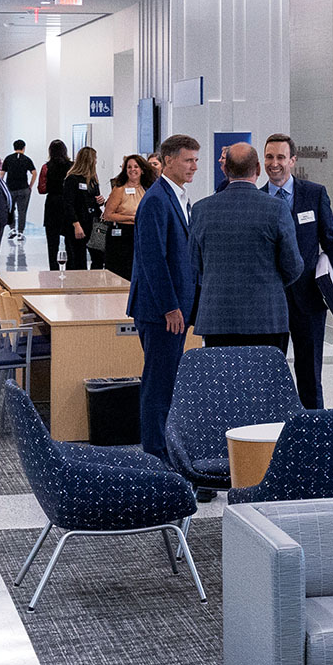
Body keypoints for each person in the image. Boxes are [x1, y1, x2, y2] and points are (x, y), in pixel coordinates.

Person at [263, 132, 333, 409]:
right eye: (269, 157)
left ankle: (315, 433)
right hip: (270, 301)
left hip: (308, 299)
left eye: (280, 157)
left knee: (310, 375)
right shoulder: (258, 199)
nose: (274, 163)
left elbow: (331, 241)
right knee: (268, 374)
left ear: (293, 160)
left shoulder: (313, 194)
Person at [126, 134, 200, 463]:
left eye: (196, 160)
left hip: (173, 308)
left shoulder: (178, 197)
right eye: (188, 160)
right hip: (160, 311)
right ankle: (156, 454)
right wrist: (171, 306)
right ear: (168, 160)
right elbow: (152, 259)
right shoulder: (157, 199)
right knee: (158, 383)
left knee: (167, 381)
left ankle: (164, 448)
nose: (194, 166)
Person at [190, 143, 303, 349]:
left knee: (223, 381)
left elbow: (195, 264)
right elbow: (293, 265)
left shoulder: (201, 210)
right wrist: (269, 284)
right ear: (258, 168)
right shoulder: (276, 209)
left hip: (217, 319)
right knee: (266, 381)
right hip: (266, 318)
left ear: (224, 169)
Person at [102, 154, 156, 281]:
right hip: (121, 237)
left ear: (142, 170)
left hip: (140, 234)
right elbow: (108, 215)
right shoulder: (119, 189)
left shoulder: (147, 189)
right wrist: (131, 218)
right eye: (129, 167)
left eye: (136, 167)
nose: (133, 170)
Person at [62, 146, 105, 270]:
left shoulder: (93, 179)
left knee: (99, 257)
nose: (96, 161)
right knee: (78, 259)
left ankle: (94, 284)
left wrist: (100, 201)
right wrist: (76, 224)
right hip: (79, 223)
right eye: (95, 158)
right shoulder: (72, 179)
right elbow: (68, 204)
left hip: (94, 223)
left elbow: (94, 199)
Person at [39, 139, 73, 271]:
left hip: (52, 204)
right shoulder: (72, 166)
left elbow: (42, 189)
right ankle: (71, 270)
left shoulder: (46, 167)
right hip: (68, 204)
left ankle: (53, 270)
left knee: (52, 243)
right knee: (70, 241)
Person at [2, 140, 36, 241]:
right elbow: (34, 173)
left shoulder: (8, 159)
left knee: (10, 210)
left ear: (14, 147)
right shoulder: (27, 159)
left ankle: (12, 230)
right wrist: (30, 185)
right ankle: (21, 232)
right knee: (22, 211)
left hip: (10, 189)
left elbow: (2, 173)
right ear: (24, 148)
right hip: (23, 189)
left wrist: (2, 186)